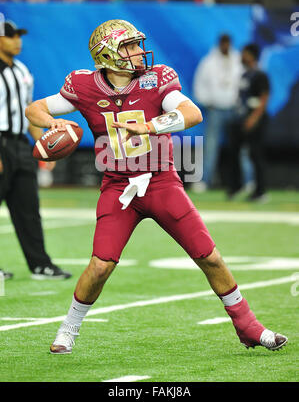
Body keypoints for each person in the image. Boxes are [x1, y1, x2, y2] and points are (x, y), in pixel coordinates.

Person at [25, 19, 287, 354]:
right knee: (101, 265)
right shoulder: (84, 86)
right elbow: (36, 108)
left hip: (161, 182)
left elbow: (191, 113)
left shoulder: (155, 78)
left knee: (210, 257)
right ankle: (68, 329)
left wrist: (150, 126)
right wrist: (53, 121)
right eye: (129, 46)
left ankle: (250, 326)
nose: (138, 52)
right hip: (118, 188)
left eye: (137, 44)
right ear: (108, 54)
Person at [0, 20, 72, 280]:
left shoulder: (21, 69)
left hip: (19, 143)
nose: (17, 40)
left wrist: (44, 145)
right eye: (10, 36)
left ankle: (40, 264)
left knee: (28, 208)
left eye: (18, 35)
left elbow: (28, 109)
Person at [192, 34, 248, 191]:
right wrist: (207, 102)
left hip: (234, 109)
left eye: (227, 43)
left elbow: (245, 81)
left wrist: (240, 103)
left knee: (241, 147)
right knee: (210, 147)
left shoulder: (238, 60)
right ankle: (204, 181)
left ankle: (247, 181)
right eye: (223, 43)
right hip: (215, 109)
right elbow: (199, 84)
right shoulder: (208, 62)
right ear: (219, 44)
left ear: (230, 44)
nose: (225, 46)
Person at [226, 43, 270, 201]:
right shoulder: (244, 75)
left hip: (254, 119)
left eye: (244, 53)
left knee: (256, 154)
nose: (241, 56)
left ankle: (260, 191)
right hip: (241, 118)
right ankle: (236, 187)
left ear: (251, 55)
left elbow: (264, 98)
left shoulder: (260, 75)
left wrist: (253, 118)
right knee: (234, 152)